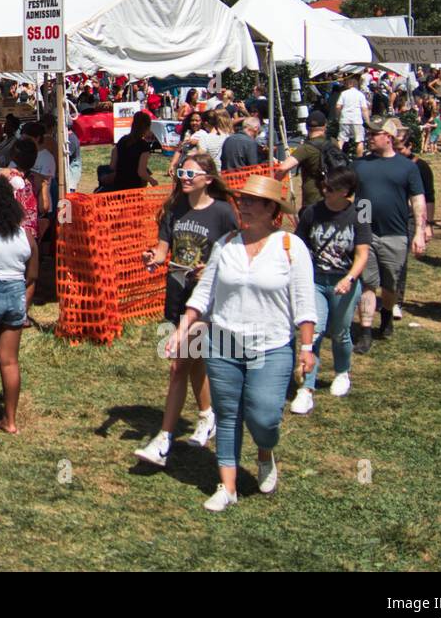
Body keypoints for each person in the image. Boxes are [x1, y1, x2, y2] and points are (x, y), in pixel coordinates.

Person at [173, 175, 316, 511]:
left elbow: (305, 302)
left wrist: (307, 348)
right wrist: (183, 328)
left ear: (272, 209)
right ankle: (228, 487)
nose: (244, 207)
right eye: (242, 201)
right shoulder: (227, 244)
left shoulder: (290, 247)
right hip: (224, 343)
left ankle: (265, 451)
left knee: (264, 416)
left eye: (252, 202)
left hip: (272, 345)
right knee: (227, 414)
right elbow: (205, 292)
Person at [134, 152, 238, 467]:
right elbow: (164, 247)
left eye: (191, 173)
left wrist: (211, 268)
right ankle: (207, 416)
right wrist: (153, 257)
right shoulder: (174, 209)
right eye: (182, 171)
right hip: (177, 293)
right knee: (193, 362)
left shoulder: (222, 213)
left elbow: (236, 253)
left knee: (180, 364)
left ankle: (163, 440)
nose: (185, 177)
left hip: (206, 299)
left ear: (209, 178)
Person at [291, 167, 371, 414]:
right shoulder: (312, 212)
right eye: (324, 186)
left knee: (340, 332)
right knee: (312, 333)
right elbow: (300, 246)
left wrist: (350, 278)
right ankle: (306, 389)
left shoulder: (359, 214)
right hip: (315, 280)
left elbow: (362, 253)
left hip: (343, 281)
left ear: (345, 191)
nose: (324, 191)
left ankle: (342, 372)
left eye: (331, 188)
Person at [351, 116, 428, 353]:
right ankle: (365, 332)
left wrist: (419, 232)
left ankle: (386, 314)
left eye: (375, 134)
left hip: (395, 234)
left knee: (390, 285)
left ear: (388, 137)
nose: (370, 138)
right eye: (369, 133)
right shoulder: (360, 165)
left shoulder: (407, 167)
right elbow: (350, 196)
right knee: (368, 284)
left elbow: (417, 200)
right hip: (366, 233)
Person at [103, 110, 157, 190]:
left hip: (118, 185)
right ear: (147, 128)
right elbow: (141, 172)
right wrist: (152, 180)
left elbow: (112, 165)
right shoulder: (144, 146)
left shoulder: (122, 140)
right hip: (134, 187)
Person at [336, 75, 370, 157]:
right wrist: (368, 121)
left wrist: (338, 116)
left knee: (341, 140)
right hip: (357, 120)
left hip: (344, 119)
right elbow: (364, 109)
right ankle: (359, 159)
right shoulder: (360, 94)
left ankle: (337, 158)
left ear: (350, 84)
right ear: (356, 85)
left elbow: (338, 106)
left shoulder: (343, 93)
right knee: (359, 141)